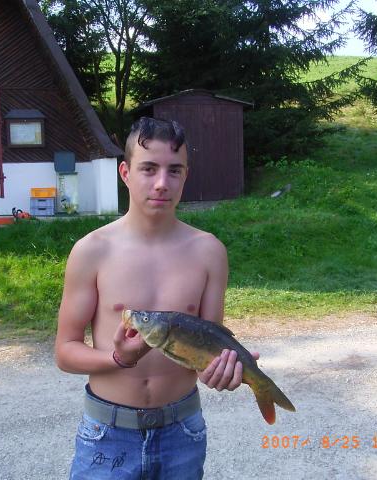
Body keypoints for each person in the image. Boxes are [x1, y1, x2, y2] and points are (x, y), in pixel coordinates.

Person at [55, 117, 258, 479]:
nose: (162, 183)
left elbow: (209, 346)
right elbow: (65, 352)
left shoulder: (209, 252)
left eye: (174, 170)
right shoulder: (91, 251)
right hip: (107, 434)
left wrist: (220, 372)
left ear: (186, 175)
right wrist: (118, 359)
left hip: (182, 433)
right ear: (125, 172)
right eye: (148, 168)